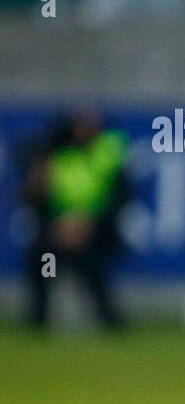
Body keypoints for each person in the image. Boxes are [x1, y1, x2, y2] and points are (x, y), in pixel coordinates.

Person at [21, 108, 131, 329]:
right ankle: (42, 314)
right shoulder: (55, 156)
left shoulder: (107, 152)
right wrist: (58, 225)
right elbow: (36, 199)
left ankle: (106, 317)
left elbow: (120, 197)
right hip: (56, 234)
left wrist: (88, 224)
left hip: (95, 233)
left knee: (90, 264)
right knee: (44, 260)